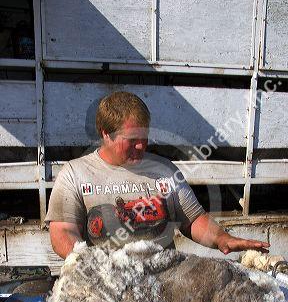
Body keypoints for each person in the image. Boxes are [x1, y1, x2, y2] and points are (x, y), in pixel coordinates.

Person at [45, 91, 269, 259]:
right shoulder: (75, 174)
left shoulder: (165, 171)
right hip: (107, 286)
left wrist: (223, 238)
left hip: (161, 287)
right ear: (106, 134)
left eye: (145, 138)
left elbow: (193, 219)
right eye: (132, 140)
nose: (142, 146)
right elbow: (63, 232)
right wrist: (87, 264)